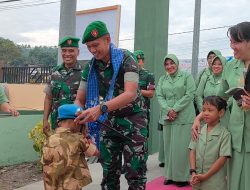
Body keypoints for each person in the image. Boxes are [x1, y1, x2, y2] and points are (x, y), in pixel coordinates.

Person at [74, 21, 148, 190]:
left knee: (135, 173)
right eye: (89, 47)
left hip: (134, 120)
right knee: (109, 173)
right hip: (108, 121)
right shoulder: (90, 68)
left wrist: (100, 108)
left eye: (95, 45)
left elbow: (130, 93)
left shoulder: (127, 58)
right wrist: (78, 114)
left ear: (107, 39)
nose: (92, 50)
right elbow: (79, 99)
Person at [192, 21, 250, 190]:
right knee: (235, 181)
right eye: (231, 42)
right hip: (237, 136)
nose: (232, 47)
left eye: (236, 42)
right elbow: (220, 98)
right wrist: (200, 117)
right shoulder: (231, 66)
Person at [156, 53, 196, 187]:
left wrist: (175, 109)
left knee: (182, 148)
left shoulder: (186, 76)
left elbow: (190, 93)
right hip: (168, 118)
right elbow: (159, 96)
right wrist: (168, 110)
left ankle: (183, 177)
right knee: (169, 148)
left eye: (172, 63)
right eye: (166, 64)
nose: (169, 66)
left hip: (184, 117)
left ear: (177, 63)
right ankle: (169, 175)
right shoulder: (162, 79)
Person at [41, 104, 99, 190]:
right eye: (81, 123)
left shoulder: (49, 139)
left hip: (51, 186)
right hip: (71, 186)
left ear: (59, 122)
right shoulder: (78, 138)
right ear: (76, 122)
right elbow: (95, 152)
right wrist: (86, 136)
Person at [189, 96, 231, 190]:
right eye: (204, 110)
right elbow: (192, 150)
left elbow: (222, 158)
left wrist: (205, 176)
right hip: (197, 180)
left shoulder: (225, 134)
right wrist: (193, 172)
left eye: (210, 110)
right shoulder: (198, 130)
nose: (206, 113)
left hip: (215, 183)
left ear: (221, 113)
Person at [43, 36, 83, 135]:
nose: (67, 54)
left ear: (78, 52)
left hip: (76, 124)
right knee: (57, 149)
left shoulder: (84, 73)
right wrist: (45, 120)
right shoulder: (54, 72)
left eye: (71, 51)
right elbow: (48, 98)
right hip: (57, 122)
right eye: (64, 51)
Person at [195, 55, 230, 127]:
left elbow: (233, 95)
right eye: (214, 64)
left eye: (220, 64)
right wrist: (204, 109)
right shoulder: (206, 79)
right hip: (206, 116)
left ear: (224, 65)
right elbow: (198, 95)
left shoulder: (228, 79)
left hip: (222, 116)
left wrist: (222, 107)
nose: (216, 66)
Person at [134, 50, 155, 137]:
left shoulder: (148, 75)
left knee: (142, 136)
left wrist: (135, 90)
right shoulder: (127, 75)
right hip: (129, 111)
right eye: (134, 61)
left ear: (143, 61)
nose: (136, 63)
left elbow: (151, 93)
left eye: (138, 61)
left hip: (143, 112)